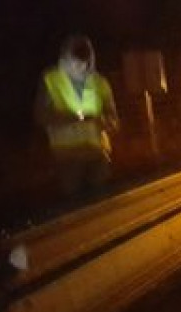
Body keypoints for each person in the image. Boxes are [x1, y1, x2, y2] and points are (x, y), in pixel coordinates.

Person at [34, 34, 119, 197]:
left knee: (103, 205)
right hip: (67, 157)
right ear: (65, 58)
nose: (80, 67)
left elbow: (114, 119)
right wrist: (71, 118)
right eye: (74, 62)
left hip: (97, 154)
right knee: (74, 206)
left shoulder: (100, 83)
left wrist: (103, 122)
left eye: (84, 63)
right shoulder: (50, 80)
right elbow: (40, 116)